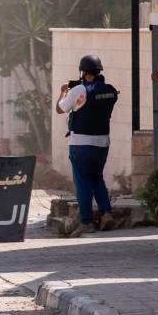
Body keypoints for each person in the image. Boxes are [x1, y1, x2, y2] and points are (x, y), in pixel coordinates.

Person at [56, 54, 121, 234]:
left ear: (83, 72)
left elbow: (60, 109)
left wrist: (64, 92)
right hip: (102, 143)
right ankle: (106, 214)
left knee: (83, 182)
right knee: (97, 178)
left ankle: (86, 221)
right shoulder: (110, 90)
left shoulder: (78, 91)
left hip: (80, 144)